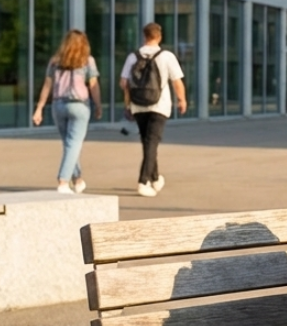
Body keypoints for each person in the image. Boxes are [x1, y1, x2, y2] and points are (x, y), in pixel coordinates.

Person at [31, 30, 103, 193]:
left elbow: (47, 85)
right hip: (80, 105)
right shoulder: (87, 61)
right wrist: (98, 105)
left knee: (69, 144)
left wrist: (40, 108)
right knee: (74, 144)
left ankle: (78, 180)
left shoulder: (55, 62)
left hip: (58, 105)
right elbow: (93, 85)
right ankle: (63, 181)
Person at [120, 23, 186, 197]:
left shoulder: (133, 57)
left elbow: (124, 82)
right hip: (159, 105)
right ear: (159, 36)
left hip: (138, 105)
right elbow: (177, 81)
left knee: (148, 143)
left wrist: (127, 103)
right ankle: (143, 181)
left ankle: (155, 178)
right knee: (152, 143)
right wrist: (182, 99)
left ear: (144, 36)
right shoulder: (166, 56)